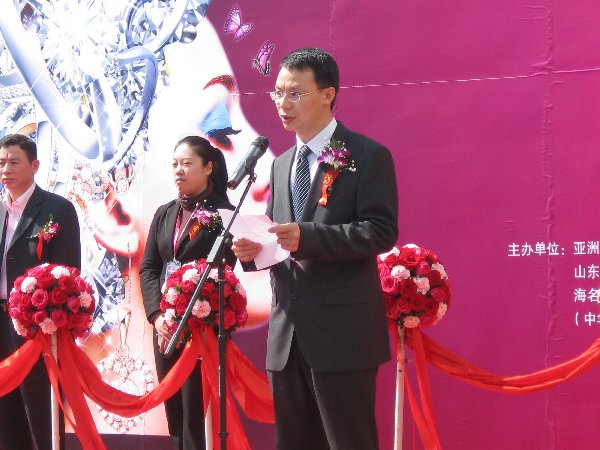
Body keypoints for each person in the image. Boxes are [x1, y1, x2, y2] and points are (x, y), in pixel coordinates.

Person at [232, 48, 399, 450]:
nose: (283, 104)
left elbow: (380, 231)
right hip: (288, 335)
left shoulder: (367, 155)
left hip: (341, 336)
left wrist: (309, 238)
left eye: (295, 94)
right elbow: (277, 233)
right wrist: (253, 251)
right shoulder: (280, 163)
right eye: (277, 93)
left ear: (327, 94)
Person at [140, 135, 236, 450]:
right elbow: (149, 267)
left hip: (201, 328)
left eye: (187, 163)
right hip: (165, 328)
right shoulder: (165, 212)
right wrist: (157, 316)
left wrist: (192, 313)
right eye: (174, 164)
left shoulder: (225, 214)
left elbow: (227, 272)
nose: (178, 170)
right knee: (175, 414)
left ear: (208, 167)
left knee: (199, 414)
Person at [0, 133, 81, 450]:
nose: (6, 169)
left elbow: (69, 272)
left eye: (14, 162)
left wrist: (46, 318)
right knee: (6, 418)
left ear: (34, 165)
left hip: (35, 329)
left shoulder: (56, 209)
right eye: (1, 162)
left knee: (41, 415)